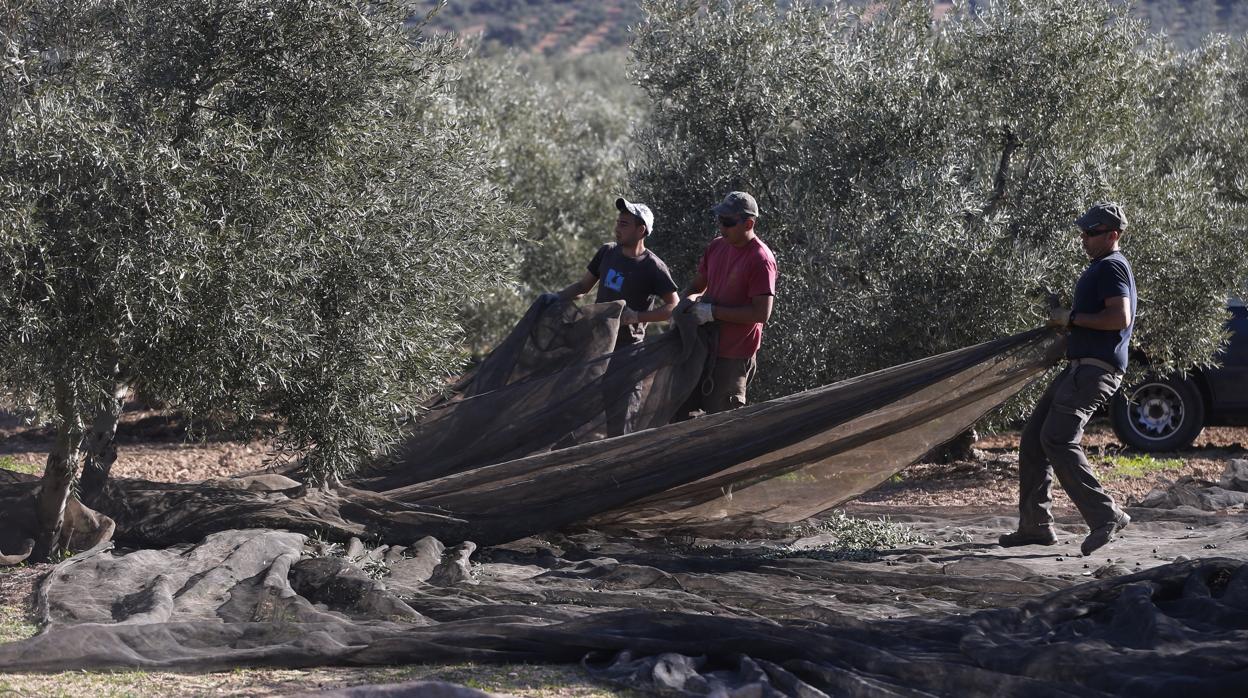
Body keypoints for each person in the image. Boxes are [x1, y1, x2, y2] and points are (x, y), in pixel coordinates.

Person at [1000, 202, 1137, 556]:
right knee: (1033, 439)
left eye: (1091, 233)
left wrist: (1073, 318)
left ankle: (1106, 515)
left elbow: (1119, 317)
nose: (1084, 238)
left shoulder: (1111, 267)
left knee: (1058, 439)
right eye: (1083, 232)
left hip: (1096, 370)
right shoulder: (1100, 266)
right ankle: (1036, 526)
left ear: (1113, 235)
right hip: (1079, 367)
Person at [557, 197, 679, 434]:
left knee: (620, 420)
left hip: (627, 353)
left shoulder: (653, 267)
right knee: (577, 414)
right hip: (596, 349)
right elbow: (583, 287)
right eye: (618, 222)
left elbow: (673, 307)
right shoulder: (607, 252)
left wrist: (636, 317)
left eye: (624, 224)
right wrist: (554, 298)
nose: (617, 228)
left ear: (641, 230)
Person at [678, 191, 778, 417]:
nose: (722, 227)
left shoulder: (761, 260)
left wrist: (713, 312)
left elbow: (762, 313)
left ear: (749, 223)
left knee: (721, 425)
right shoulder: (716, 246)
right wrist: (686, 305)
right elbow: (696, 287)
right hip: (702, 349)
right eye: (719, 220)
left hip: (733, 357)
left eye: (728, 222)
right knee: (681, 417)